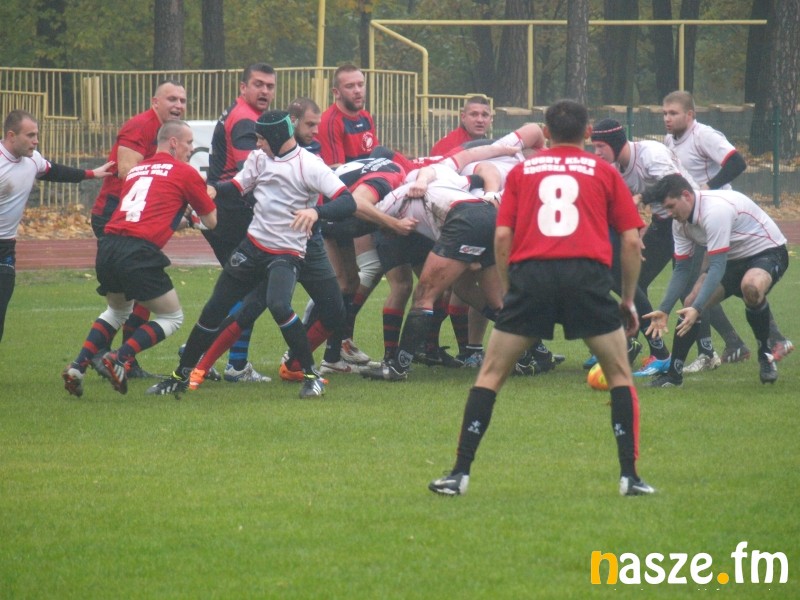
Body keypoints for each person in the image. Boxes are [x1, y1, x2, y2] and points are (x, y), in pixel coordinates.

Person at [428, 99, 655, 497]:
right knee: (620, 374)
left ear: (546, 133)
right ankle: (630, 478)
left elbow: (502, 235)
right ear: (588, 133)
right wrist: (628, 299)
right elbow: (632, 241)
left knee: (490, 374)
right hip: (586, 277)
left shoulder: (523, 171)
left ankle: (458, 474)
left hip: (533, 277)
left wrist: (510, 287)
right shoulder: (604, 171)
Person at [146, 110, 358, 399]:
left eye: (260, 138)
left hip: (287, 252)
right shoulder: (260, 158)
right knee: (213, 309)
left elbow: (348, 202)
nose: (257, 144)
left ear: (275, 136)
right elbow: (237, 187)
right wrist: (213, 190)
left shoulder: (310, 165)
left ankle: (311, 376)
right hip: (253, 247)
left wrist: (316, 212)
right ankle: (179, 376)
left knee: (279, 306)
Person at [62, 120, 217, 397]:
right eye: (189, 142)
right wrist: (205, 203)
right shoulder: (185, 172)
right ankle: (119, 357)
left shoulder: (137, 169)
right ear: (173, 143)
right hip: (138, 252)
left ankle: (77, 366)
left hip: (109, 245)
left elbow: (148, 212)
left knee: (116, 311)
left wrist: (184, 219)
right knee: (172, 317)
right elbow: (212, 221)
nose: (192, 148)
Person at [662, 90, 793, 367]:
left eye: (673, 113)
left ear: (690, 115)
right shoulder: (668, 141)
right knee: (699, 286)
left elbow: (737, 162)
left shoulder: (704, 135)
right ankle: (741, 343)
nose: (667, 118)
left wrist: (707, 188)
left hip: (717, 219)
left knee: (702, 286)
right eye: (664, 113)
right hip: (693, 220)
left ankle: (720, 349)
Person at [643, 174, 790, 387]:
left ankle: (765, 356)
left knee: (750, 287)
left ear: (686, 196)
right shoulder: (679, 223)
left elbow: (717, 267)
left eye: (671, 206)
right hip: (732, 258)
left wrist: (699, 308)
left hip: (766, 251)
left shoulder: (715, 211)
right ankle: (674, 376)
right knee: (690, 302)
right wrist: (664, 309)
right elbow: (682, 269)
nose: (669, 213)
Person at [89, 79, 188, 378]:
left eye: (182, 100)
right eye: (172, 99)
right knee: (139, 289)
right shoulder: (139, 125)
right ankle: (117, 359)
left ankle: (109, 359)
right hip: (115, 214)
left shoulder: (166, 134)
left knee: (136, 292)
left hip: (133, 216)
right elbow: (127, 171)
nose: (178, 105)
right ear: (155, 102)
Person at [0, 110, 114, 343]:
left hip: (6, 248)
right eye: (30, 135)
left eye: (37, 134)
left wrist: (91, 173)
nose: (36, 141)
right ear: (11, 136)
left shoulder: (33, 159)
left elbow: (54, 171)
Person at [590, 118, 692, 375]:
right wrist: (633, 236)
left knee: (688, 289)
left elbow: (675, 185)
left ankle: (661, 353)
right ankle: (631, 344)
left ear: (616, 143)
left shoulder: (651, 153)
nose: (596, 152)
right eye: (594, 146)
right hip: (662, 224)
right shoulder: (613, 167)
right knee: (634, 283)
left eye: (601, 146)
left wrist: (642, 197)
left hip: (685, 223)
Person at [201, 63, 278, 384]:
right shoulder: (245, 119)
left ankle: (207, 354)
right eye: (258, 84)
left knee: (241, 291)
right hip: (232, 213)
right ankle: (227, 361)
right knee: (255, 290)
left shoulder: (239, 113)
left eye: (270, 86)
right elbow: (252, 172)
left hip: (224, 211)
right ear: (243, 87)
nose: (265, 91)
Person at [317, 64, 382, 366]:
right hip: (337, 209)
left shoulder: (366, 117)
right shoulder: (331, 121)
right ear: (336, 91)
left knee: (351, 282)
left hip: (355, 205)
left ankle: (341, 346)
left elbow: (371, 163)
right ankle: (307, 350)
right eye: (350, 86)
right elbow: (337, 172)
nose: (357, 90)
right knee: (343, 284)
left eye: (360, 84)